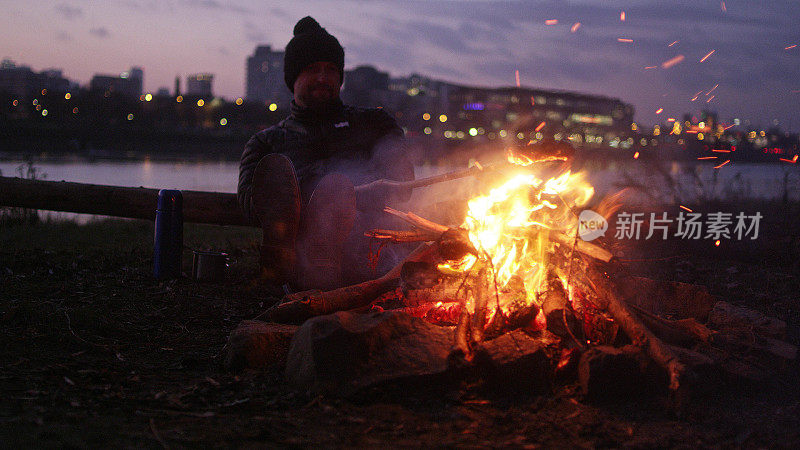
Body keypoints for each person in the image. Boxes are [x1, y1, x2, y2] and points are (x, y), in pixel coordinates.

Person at [238, 16, 413, 291]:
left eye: (331, 69)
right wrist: (308, 195)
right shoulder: (265, 144)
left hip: (371, 252)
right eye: (312, 69)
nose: (323, 77)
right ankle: (297, 266)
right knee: (281, 176)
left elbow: (402, 186)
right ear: (292, 78)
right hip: (298, 257)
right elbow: (251, 203)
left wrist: (343, 197)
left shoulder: (375, 125)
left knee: (335, 188)